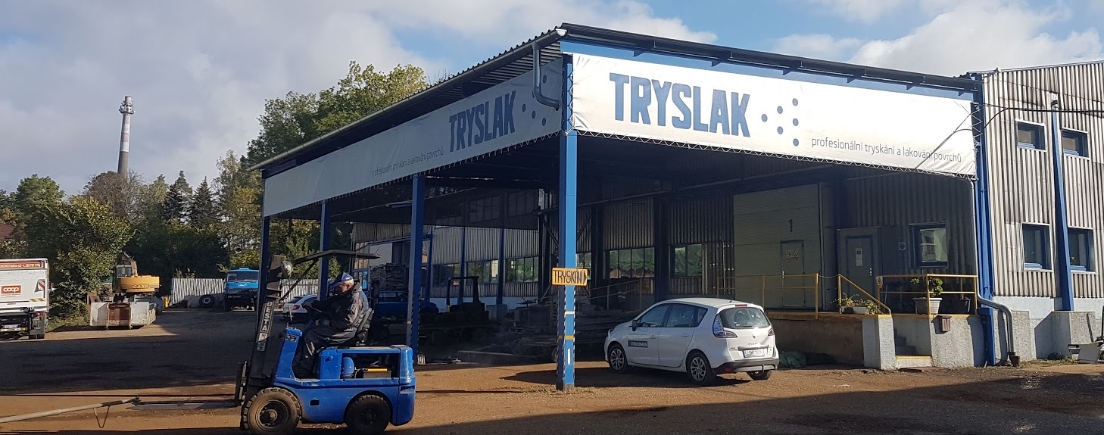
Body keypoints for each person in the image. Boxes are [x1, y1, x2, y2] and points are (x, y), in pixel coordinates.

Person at [292, 272, 372, 378]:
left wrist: (328, 323)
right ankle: (307, 363)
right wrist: (313, 304)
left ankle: (303, 370)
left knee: (311, 336)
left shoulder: (355, 299)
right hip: (340, 327)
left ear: (348, 285)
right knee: (309, 330)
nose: (337, 289)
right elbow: (328, 303)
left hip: (346, 331)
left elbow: (347, 322)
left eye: (339, 287)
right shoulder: (344, 295)